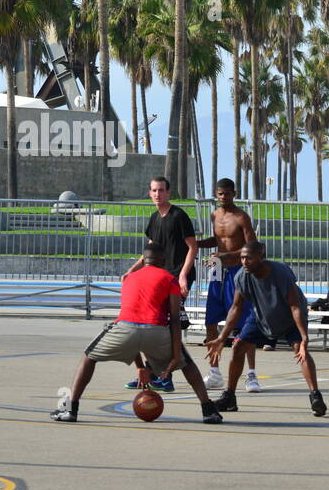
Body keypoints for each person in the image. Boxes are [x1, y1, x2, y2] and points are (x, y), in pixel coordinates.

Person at [51, 245, 222, 423]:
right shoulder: (169, 279)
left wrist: (140, 366)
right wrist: (176, 357)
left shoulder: (129, 278)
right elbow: (175, 320)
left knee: (88, 357)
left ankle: (71, 409)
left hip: (125, 328)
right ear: (163, 262)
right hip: (157, 331)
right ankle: (208, 410)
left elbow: (134, 329)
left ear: (143, 260)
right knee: (188, 365)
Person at [207, 240, 327, 418]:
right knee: (238, 347)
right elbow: (236, 307)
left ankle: (315, 396)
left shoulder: (280, 272)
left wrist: (304, 337)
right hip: (261, 316)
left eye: (249, 258)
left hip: (290, 317)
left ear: (261, 257)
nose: (244, 262)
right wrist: (222, 337)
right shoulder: (242, 275)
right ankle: (229, 397)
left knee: (299, 349)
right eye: (242, 258)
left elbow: (294, 305)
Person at [124, 176, 199, 392]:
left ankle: (164, 376)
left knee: (166, 326)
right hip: (157, 279)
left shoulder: (179, 216)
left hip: (176, 277)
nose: (158, 194)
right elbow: (149, 250)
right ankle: (153, 374)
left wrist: (184, 275)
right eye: (154, 191)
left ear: (168, 192)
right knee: (154, 325)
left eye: (161, 190)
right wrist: (131, 271)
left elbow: (192, 247)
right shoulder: (154, 218)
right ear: (150, 193)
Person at [197, 178, 260, 392]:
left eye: (227, 194)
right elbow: (217, 240)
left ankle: (251, 375)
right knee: (211, 320)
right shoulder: (214, 215)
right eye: (220, 194)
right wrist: (194, 244)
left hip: (237, 270)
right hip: (216, 268)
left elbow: (252, 247)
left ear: (234, 193)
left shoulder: (242, 217)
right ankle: (214, 372)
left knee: (243, 324)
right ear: (216, 194)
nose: (224, 197)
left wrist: (226, 255)